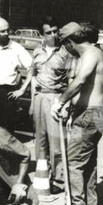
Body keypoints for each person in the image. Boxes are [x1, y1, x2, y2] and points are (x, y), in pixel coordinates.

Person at [51, 22, 103, 205]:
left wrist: (61, 101)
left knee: (74, 164)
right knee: (88, 164)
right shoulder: (97, 52)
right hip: (94, 114)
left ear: (70, 42)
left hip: (88, 116)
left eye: (64, 45)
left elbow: (81, 80)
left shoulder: (90, 54)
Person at [25, 17, 74, 194]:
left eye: (55, 31)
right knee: (41, 140)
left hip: (56, 98)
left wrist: (66, 105)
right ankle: (43, 179)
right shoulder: (37, 51)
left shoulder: (66, 52)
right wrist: (32, 102)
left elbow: (71, 80)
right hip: (39, 97)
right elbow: (33, 76)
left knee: (57, 142)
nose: (53, 35)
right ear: (41, 34)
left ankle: (60, 180)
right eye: (48, 32)